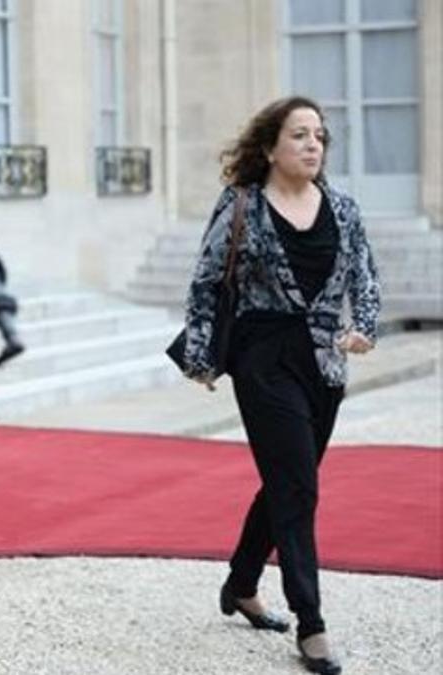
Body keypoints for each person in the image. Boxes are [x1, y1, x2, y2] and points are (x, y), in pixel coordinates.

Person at [182, 96, 380, 675]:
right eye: (299, 135)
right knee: (298, 485)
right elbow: (204, 281)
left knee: (289, 481)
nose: (313, 144)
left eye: (319, 135)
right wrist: (200, 355)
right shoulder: (241, 204)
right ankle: (311, 623)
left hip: (324, 363)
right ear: (270, 147)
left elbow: (365, 276)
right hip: (262, 359)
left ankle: (241, 583)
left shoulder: (343, 208)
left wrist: (364, 326)